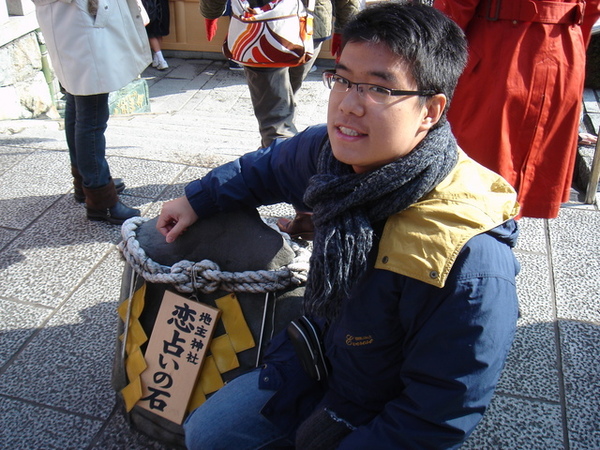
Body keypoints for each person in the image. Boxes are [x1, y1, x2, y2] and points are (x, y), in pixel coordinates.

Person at [157, 2, 521, 448]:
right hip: (315, 351)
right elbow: (266, 169)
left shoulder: (468, 258)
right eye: (343, 79)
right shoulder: (330, 155)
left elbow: (438, 412)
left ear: (430, 111)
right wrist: (197, 198)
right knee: (205, 434)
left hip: (374, 404)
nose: (348, 105)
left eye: (379, 89)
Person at [201, 0, 361, 239]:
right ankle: (273, 167)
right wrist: (346, 28)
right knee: (282, 107)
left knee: (276, 122)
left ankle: (306, 211)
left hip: (262, 25)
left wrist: (211, 12)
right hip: (310, 23)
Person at [434, 0, 600, 219]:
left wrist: (432, 57)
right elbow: (591, 9)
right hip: (564, 48)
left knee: (470, 166)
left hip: (499, 47)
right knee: (509, 168)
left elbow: (455, 7)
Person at [33, 0, 151, 225]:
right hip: (80, 25)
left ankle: (86, 182)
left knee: (77, 105)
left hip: (68, 23)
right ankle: (100, 198)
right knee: (91, 115)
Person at [142, 0, 171, 70]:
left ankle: (161, 60)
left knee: (150, 34)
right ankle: (156, 59)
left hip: (150, 7)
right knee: (158, 33)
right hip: (162, 6)